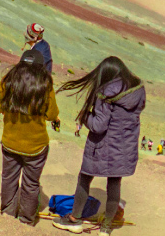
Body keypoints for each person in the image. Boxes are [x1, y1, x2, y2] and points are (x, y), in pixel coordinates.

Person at [53, 57, 146, 234]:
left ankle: (75, 219)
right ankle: (106, 229)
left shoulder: (106, 92)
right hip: (124, 149)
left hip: (101, 148)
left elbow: (99, 125)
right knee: (114, 184)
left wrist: (84, 116)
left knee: (84, 178)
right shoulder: (137, 90)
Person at [0, 50, 60, 225]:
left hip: (10, 141)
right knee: (31, 184)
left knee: (8, 179)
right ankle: (26, 221)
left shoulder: (8, 81)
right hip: (36, 146)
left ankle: (7, 217)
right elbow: (52, 114)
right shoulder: (45, 85)